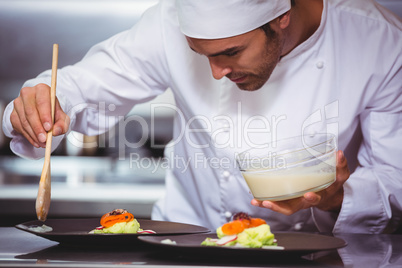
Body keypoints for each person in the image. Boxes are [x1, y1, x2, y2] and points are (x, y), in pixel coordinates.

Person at [2, 0, 401, 233]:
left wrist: (335, 199)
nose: (215, 74)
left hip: (312, 256)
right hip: (184, 244)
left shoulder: (379, 42)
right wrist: (43, 103)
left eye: (230, 53)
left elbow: (395, 183)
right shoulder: (165, 25)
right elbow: (78, 88)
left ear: (281, 16)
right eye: (201, 54)